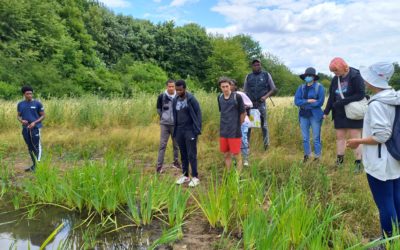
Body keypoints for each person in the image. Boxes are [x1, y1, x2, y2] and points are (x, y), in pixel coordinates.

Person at [347, 62, 400, 238]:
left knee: (385, 204)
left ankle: (388, 241)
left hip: (381, 162)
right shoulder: (394, 98)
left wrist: (357, 141)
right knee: (396, 199)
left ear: (373, 80)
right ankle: (396, 237)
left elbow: (382, 136)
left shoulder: (377, 104)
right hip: (395, 157)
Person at [324, 57, 365, 171]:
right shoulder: (335, 79)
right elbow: (332, 96)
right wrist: (326, 111)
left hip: (353, 112)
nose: (335, 73)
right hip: (339, 113)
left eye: (336, 71)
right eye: (333, 72)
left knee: (355, 139)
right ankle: (339, 161)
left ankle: (358, 164)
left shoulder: (355, 76)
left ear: (344, 67)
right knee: (340, 138)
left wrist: (342, 102)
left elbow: (360, 94)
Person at [173, 80, 202, 187]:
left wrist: (197, 130)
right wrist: (175, 130)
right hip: (179, 130)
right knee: (183, 154)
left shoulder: (191, 99)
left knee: (191, 154)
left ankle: (195, 177)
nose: (178, 92)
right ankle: (185, 175)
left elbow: (198, 114)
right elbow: (174, 114)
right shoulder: (175, 100)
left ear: (184, 88)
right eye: (177, 90)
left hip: (190, 130)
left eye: (180, 90)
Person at [244, 58, 277, 151]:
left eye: (258, 64)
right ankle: (246, 146)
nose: (256, 66)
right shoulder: (248, 76)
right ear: (252, 66)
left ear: (261, 65)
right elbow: (245, 91)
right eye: (254, 65)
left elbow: (273, 88)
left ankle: (266, 147)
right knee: (249, 125)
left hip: (261, 105)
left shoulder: (266, 75)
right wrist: (245, 103)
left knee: (264, 126)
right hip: (250, 106)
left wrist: (265, 97)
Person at [294, 67, 325, 162]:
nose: (308, 77)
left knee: (316, 137)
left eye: (310, 76)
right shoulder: (301, 88)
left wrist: (305, 104)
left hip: (315, 115)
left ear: (314, 77)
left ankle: (317, 157)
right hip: (303, 115)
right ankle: (307, 155)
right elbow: (296, 101)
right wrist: (308, 100)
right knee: (305, 138)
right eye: (306, 75)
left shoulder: (320, 87)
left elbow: (320, 102)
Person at [217, 77, 246, 170]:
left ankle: (237, 177)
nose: (225, 88)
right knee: (226, 154)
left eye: (227, 86)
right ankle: (229, 174)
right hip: (223, 131)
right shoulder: (220, 97)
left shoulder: (237, 97)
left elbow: (243, 113)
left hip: (234, 131)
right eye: (223, 87)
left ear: (230, 86)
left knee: (237, 154)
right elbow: (222, 112)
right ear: (220, 87)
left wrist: (238, 125)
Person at [17, 86, 45, 172]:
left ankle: (38, 166)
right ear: (24, 94)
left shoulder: (37, 103)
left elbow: (43, 115)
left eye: (31, 93)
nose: (29, 95)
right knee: (30, 147)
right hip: (25, 129)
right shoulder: (20, 104)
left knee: (37, 146)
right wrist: (22, 120)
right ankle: (34, 165)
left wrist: (34, 122)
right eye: (27, 94)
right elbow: (18, 116)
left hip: (35, 128)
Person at [156, 79, 180, 173]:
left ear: (175, 87)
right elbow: (158, 109)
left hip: (176, 125)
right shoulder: (161, 96)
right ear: (167, 86)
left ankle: (176, 162)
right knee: (162, 145)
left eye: (172, 86)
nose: (171, 88)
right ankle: (159, 166)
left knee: (176, 145)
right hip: (164, 125)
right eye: (169, 86)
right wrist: (164, 117)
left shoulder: (179, 96)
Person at [230, 79, 253, 167]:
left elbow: (250, 104)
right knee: (233, 140)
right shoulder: (226, 95)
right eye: (229, 84)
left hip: (243, 120)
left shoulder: (240, 94)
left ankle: (246, 159)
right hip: (232, 122)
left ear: (235, 86)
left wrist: (241, 107)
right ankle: (235, 158)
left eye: (232, 85)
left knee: (243, 139)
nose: (230, 86)